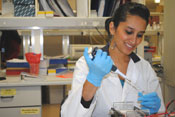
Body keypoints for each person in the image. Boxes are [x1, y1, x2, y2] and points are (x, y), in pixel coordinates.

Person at [61, 2, 165, 117]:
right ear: (112, 28)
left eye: (139, 35)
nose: (134, 40)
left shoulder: (144, 68)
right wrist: (93, 79)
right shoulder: (87, 64)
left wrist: (155, 110)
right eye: (129, 32)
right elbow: (70, 114)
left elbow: (159, 112)